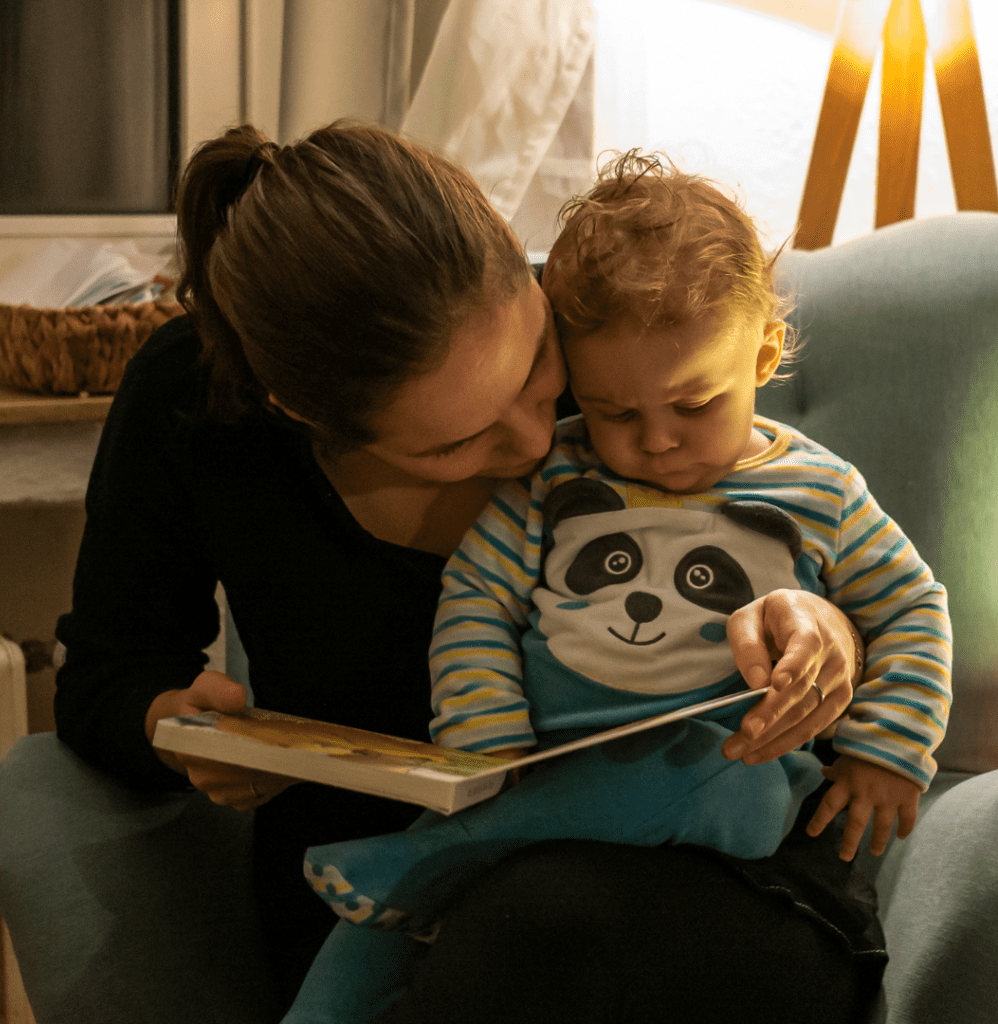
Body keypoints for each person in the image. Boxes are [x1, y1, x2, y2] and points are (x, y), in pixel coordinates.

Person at [47, 122, 866, 1023]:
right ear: (298, 413)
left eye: (535, 372)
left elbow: (826, 546)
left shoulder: (620, 330)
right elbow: (105, 672)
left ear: (524, 266)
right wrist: (182, 728)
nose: (532, 444)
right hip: (387, 900)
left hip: (719, 869)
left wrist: (830, 633)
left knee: (538, 923)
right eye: (455, 441)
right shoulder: (196, 406)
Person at [287, 154, 952, 1023]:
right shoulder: (550, 482)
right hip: (541, 781)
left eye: (694, 404)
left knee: (725, 789)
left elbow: (911, 605)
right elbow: (479, 596)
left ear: (764, 353)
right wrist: (482, 732)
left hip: (726, 769)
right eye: (615, 413)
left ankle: (465, 851)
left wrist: (885, 751)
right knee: (362, 940)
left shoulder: (820, 493)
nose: (658, 441)